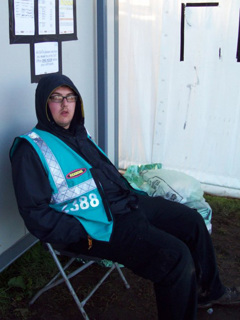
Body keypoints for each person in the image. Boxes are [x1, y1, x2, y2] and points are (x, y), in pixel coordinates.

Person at [10, 74, 240, 320]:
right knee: (175, 258)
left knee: (192, 221)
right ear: (44, 105)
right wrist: (82, 230)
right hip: (96, 227)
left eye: (70, 97)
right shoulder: (30, 150)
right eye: (56, 98)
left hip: (125, 203)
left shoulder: (78, 134)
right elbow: (36, 215)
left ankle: (208, 291)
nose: (65, 105)